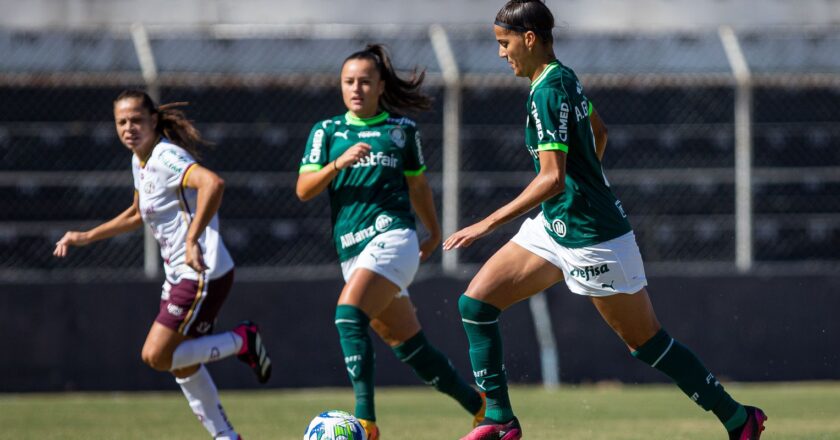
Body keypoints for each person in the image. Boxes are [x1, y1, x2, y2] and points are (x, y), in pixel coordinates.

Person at [443, 2, 768, 439]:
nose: (501, 54)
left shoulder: (548, 91)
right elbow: (600, 132)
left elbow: (552, 178)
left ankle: (739, 419)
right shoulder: (563, 77)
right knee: (476, 305)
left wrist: (486, 224)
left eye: (504, 43)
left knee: (646, 343)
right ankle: (500, 421)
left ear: (529, 39)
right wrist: (584, 184)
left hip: (592, 237)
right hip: (555, 226)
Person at [53, 90, 272, 440]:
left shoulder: (166, 156)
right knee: (181, 363)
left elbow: (212, 183)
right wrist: (86, 236)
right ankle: (226, 436)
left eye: (136, 120)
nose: (129, 128)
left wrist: (192, 238)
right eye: (122, 122)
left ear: (153, 120)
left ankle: (241, 340)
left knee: (156, 355)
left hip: (201, 272)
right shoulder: (139, 160)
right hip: (180, 274)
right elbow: (136, 213)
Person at [296, 44, 485, 440]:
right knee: (410, 346)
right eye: (349, 81)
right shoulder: (326, 131)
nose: (356, 88)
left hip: (394, 238)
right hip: (352, 248)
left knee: (348, 315)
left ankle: (366, 423)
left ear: (381, 85)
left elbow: (418, 186)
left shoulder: (400, 131)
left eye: (365, 81)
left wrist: (433, 232)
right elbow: (304, 189)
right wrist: (338, 163)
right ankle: (481, 407)